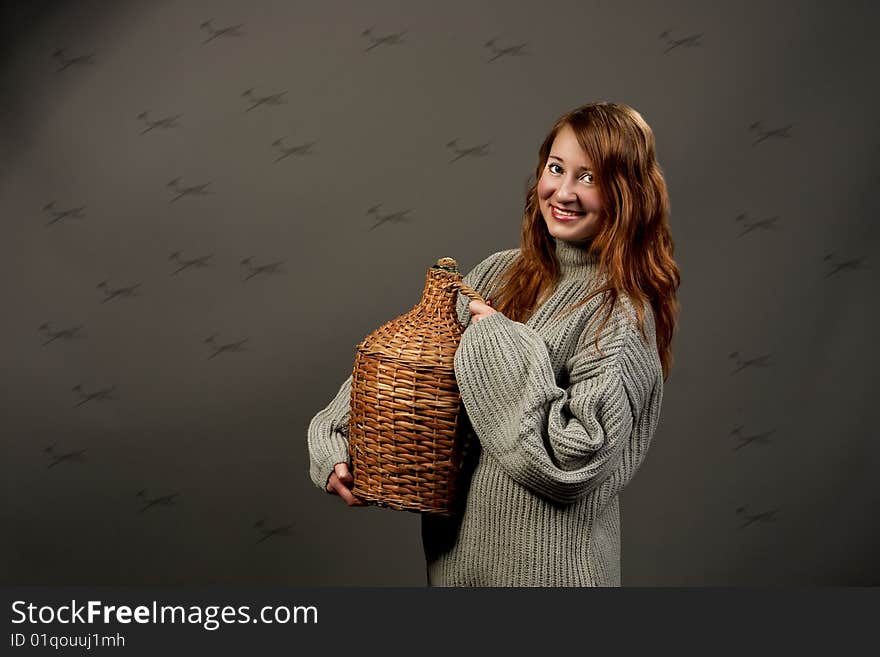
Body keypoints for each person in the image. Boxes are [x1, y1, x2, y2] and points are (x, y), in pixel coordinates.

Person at [307, 101, 680, 586]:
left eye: (589, 178)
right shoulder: (498, 273)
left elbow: (572, 462)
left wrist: (500, 341)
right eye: (556, 168)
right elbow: (406, 375)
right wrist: (332, 438)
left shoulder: (620, 314)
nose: (563, 192)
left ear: (626, 195)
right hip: (455, 571)